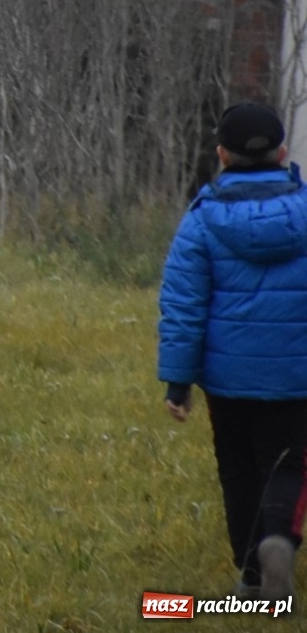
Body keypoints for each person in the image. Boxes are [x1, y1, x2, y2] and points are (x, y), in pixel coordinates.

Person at [159, 102, 307, 603]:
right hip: (295, 379)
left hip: (227, 380)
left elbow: (183, 305)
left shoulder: (201, 221)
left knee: (238, 468)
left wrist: (178, 381)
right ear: (284, 152)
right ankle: (278, 541)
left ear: (221, 155)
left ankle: (250, 575)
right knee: (286, 465)